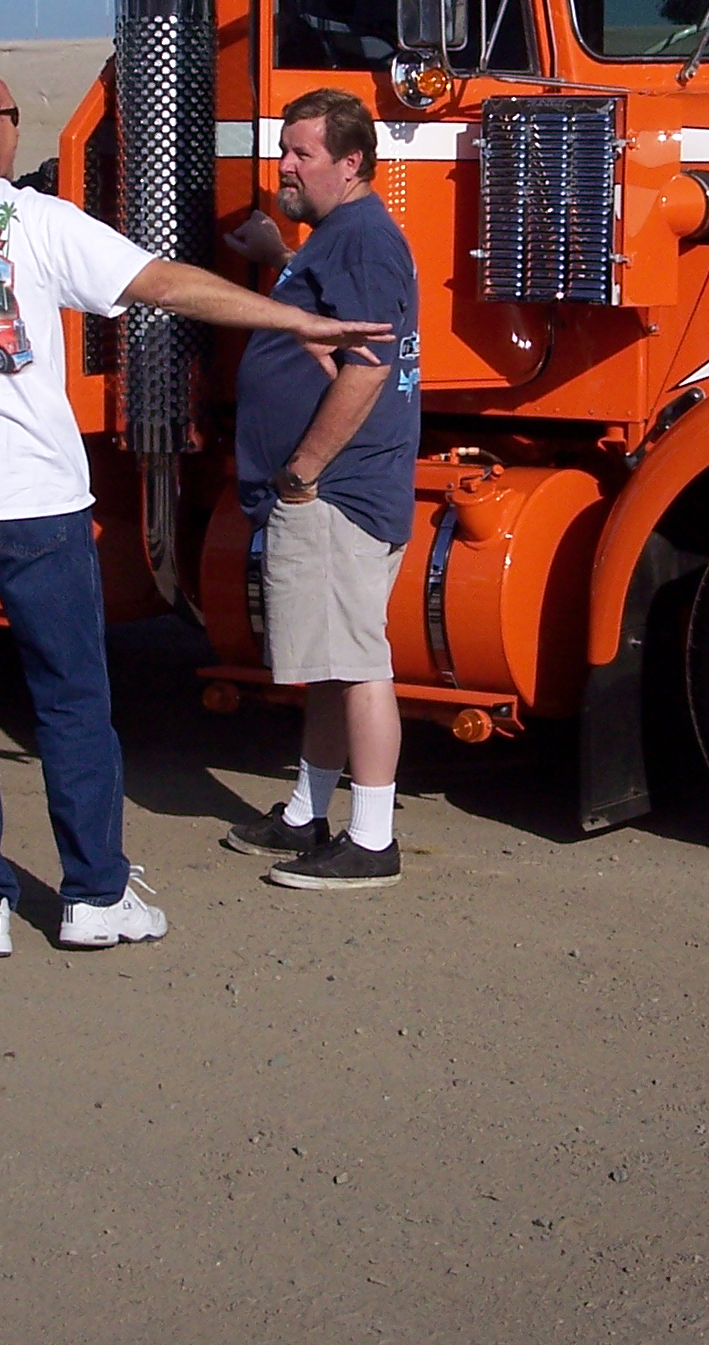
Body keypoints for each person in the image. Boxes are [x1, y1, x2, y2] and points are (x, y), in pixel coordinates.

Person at [0, 58, 393, 960]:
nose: (17, 130)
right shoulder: (33, 219)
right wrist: (296, 319)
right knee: (72, 702)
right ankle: (93, 895)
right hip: (35, 503)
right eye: (13, 114)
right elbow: (162, 284)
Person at [220, 90, 422, 890]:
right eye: (284, 150)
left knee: (358, 662)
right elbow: (330, 333)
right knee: (333, 663)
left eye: (302, 153)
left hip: (337, 492)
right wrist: (281, 258)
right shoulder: (337, 239)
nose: (284, 166)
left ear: (352, 161)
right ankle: (308, 813)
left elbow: (367, 370)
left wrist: (304, 472)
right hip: (333, 490)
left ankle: (372, 840)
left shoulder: (362, 239)